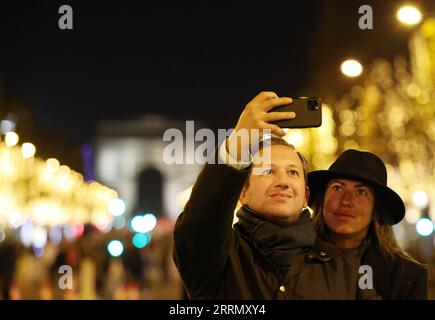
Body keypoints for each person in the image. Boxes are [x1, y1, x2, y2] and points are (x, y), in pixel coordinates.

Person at [173, 91, 379, 299]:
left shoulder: (347, 268)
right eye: (267, 171)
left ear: (306, 196)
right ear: (242, 192)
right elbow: (199, 226)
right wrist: (238, 143)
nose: (282, 181)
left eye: (293, 172)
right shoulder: (220, 260)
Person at [308, 149, 428, 299]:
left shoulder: (406, 277)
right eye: (337, 188)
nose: (345, 201)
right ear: (323, 200)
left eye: (361, 192)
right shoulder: (294, 258)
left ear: (376, 210)